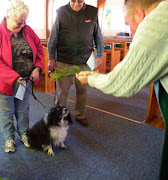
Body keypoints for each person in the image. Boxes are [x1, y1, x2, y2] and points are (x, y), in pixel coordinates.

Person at [76, 0, 168, 179]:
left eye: (128, 23)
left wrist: (93, 78)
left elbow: (124, 83)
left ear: (140, 14)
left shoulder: (156, 21)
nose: (132, 31)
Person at [0, 0, 44, 153]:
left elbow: (39, 48)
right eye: (19, 22)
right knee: (5, 112)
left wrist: (37, 68)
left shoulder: (28, 30)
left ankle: (24, 133)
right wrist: (13, 77)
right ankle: (9, 138)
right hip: (4, 83)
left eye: (25, 21)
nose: (22, 25)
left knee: (23, 111)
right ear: (8, 16)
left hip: (26, 81)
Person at [47, 0, 104, 127]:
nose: (77, 4)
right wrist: (51, 58)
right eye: (74, 1)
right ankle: (59, 116)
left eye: (80, 1)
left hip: (84, 61)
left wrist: (99, 54)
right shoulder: (61, 12)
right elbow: (53, 38)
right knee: (62, 91)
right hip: (64, 60)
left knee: (82, 90)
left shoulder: (92, 12)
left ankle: (80, 114)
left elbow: (98, 36)